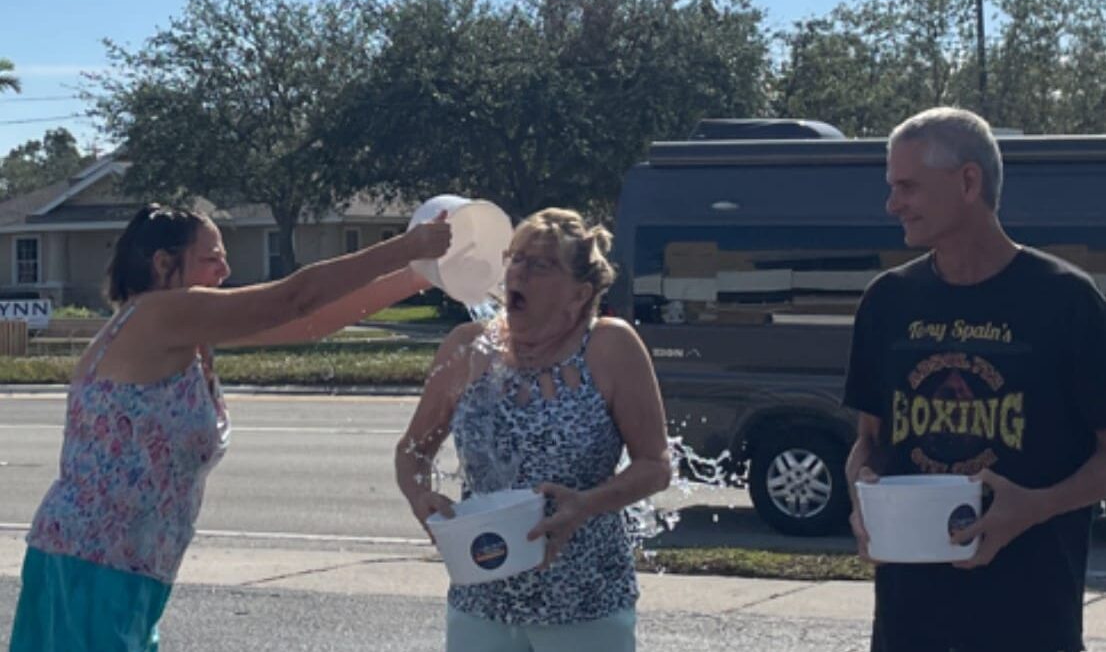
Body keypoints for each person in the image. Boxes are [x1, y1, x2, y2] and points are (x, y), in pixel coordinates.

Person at [9, 202, 451, 652]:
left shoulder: (179, 330)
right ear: (163, 264)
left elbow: (308, 320)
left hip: (122, 565)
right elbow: (294, 297)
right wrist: (406, 247)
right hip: (91, 565)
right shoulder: (156, 316)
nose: (226, 268)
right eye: (211, 257)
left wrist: (420, 276)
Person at [844, 107, 1106, 652]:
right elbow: (871, 443)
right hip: (907, 625)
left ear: (968, 181)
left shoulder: (1067, 302)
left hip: (1031, 624)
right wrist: (862, 495)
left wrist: (1035, 507)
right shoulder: (886, 302)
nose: (892, 204)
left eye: (907, 186)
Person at [395, 207, 670, 652]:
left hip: (584, 602)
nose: (518, 272)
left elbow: (655, 466)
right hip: (480, 596)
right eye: (516, 258)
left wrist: (586, 504)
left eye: (541, 264)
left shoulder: (610, 347)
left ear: (579, 294)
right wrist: (419, 495)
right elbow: (412, 450)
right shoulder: (468, 346)